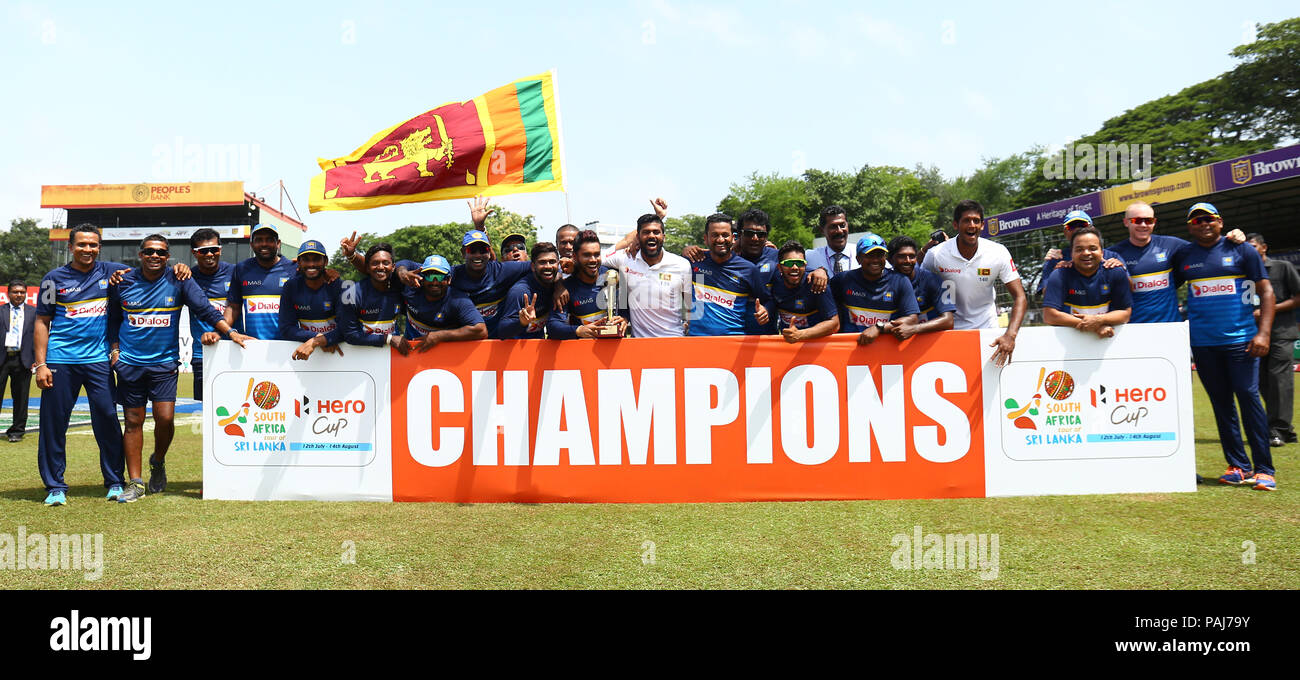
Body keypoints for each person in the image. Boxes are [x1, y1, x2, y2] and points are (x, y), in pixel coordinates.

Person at [108, 235, 250, 502]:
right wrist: (115, 351)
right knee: (133, 422)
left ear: (168, 257)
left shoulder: (179, 279)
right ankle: (136, 482)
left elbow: (206, 309)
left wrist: (230, 332)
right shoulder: (123, 282)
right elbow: (113, 319)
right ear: (140, 255)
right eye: (149, 251)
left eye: (161, 253)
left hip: (164, 364)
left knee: (165, 419)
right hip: (130, 365)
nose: (154, 256)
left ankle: (158, 460)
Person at [1174, 203, 1276, 490]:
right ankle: (1238, 466)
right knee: (1221, 404)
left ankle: (1265, 469)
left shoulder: (1242, 250)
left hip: (1241, 341)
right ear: (1190, 227)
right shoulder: (1184, 255)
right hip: (1203, 343)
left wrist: (1263, 334)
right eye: (1197, 221)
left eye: (1209, 219)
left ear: (1220, 222)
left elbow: (1266, 291)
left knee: (1248, 397)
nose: (1203, 224)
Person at [33, 225, 132, 506]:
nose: (87, 249)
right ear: (71, 246)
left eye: (93, 245)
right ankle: (55, 486)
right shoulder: (54, 279)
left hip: (99, 361)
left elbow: (149, 270)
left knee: (108, 420)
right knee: (54, 424)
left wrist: (180, 268)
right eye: (82, 245)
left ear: (99, 247)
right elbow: (42, 321)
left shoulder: (109, 271)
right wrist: (41, 365)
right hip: (61, 361)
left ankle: (114, 481)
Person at [920, 199, 1028, 366]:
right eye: (966, 220)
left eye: (976, 221)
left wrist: (1010, 335)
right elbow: (918, 286)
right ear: (955, 225)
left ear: (982, 225)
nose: (972, 225)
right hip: (948, 333)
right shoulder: (936, 254)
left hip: (988, 332)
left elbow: (1020, 297)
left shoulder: (998, 252)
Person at [1246, 233, 1300, 447]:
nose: (1249, 251)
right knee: (1263, 382)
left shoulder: (1282, 267)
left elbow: (1298, 296)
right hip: (1254, 333)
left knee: (1279, 379)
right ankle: (1285, 428)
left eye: (1253, 246)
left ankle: (1276, 429)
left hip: (1281, 333)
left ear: (1264, 248)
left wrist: (1269, 309)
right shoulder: (1243, 272)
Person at [601, 212, 693, 338]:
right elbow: (595, 258)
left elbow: (689, 305)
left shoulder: (682, 265)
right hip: (640, 345)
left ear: (664, 237)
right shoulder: (626, 259)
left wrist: (687, 324)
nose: (651, 236)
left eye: (656, 232)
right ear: (637, 237)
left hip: (674, 341)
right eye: (646, 232)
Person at [687, 213, 771, 336]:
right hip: (697, 340)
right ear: (706, 238)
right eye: (715, 235)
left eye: (725, 235)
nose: (720, 239)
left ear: (733, 238)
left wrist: (766, 310)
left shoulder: (748, 269)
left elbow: (767, 299)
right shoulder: (694, 262)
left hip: (733, 342)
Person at [1040, 226, 1132, 337]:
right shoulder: (1059, 274)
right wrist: (1096, 325)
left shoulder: (1115, 272)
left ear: (1102, 253)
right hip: (1069, 340)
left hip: (1107, 338)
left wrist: (1098, 320)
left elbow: (1125, 314)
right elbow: (1049, 315)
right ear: (1072, 253)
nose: (1086, 253)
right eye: (1079, 249)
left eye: (1093, 248)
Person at [830, 233, 919, 345]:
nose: (875, 260)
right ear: (858, 259)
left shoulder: (900, 281)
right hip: (850, 349)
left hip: (888, 349)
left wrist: (879, 327)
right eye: (870, 255)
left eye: (880, 255)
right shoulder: (842, 280)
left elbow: (912, 319)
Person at [225, 224, 299, 340]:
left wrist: (328, 273)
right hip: (254, 345)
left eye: (269, 240)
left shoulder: (294, 269)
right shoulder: (241, 269)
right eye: (259, 240)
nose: (264, 244)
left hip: (288, 346)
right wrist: (221, 331)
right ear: (251, 245)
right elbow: (233, 307)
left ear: (278, 243)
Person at [187, 227, 234, 401]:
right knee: (203, 413)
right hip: (203, 354)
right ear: (194, 253)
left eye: (214, 249)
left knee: (239, 409)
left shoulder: (235, 272)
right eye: (203, 251)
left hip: (234, 351)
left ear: (220, 249)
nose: (209, 254)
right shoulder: (186, 277)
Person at [402, 255, 488, 349]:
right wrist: (402, 272)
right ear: (422, 279)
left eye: (439, 277)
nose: (434, 282)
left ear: (449, 279)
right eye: (429, 276)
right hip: (410, 352)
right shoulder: (409, 289)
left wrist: (440, 336)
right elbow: (400, 264)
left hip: (445, 355)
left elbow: (481, 330)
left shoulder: (458, 300)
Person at [279, 240, 345, 361]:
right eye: (306, 260)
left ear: (325, 261)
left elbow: (347, 327)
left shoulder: (339, 286)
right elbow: (286, 328)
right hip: (309, 353)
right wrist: (319, 339)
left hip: (342, 352)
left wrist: (320, 340)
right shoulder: (290, 287)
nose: (311, 264)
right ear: (298, 262)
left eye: (316, 259)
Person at [339, 242, 409, 354]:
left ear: (393, 267)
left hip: (392, 354)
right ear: (367, 267)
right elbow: (350, 335)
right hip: (362, 355)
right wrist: (388, 339)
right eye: (375, 263)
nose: (381, 267)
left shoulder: (399, 289)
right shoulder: (352, 294)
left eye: (386, 263)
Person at [1035, 210, 1124, 295]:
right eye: (1071, 226)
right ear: (1065, 232)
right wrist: (1057, 274)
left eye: (1082, 225)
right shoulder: (1055, 259)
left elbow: (1127, 290)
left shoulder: (1112, 256)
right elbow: (1047, 294)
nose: (1077, 229)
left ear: (1092, 229)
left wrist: (1121, 270)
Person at [499, 242, 575, 339]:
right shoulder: (520, 292)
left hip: (540, 349)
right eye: (542, 262)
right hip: (515, 351)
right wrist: (521, 322)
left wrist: (560, 286)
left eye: (552, 262)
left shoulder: (557, 285)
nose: (548, 266)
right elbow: (502, 331)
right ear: (532, 266)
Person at [561, 230, 629, 338]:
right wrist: (577, 330)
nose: (593, 260)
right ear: (574, 256)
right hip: (584, 352)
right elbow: (553, 325)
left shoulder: (612, 275)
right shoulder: (565, 288)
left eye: (597, 254)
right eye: (586, 255)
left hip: (616, 351)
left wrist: (625, 318)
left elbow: (626, 305)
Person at [885, 235, 955, 340]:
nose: (907, 261)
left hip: (931, 344)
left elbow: (948, 321)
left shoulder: (933, 280)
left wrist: (913, 329)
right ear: (890, 259)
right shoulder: (885, 282)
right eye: (902, 256)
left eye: (912, 256)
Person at [769, 241, 839, 343]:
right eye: (788, 263)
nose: (795, 267)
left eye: (799, 263)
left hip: (815, 348)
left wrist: (801, 335)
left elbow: (835, 324)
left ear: (805, 266)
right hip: (788, 348)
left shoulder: (817, 283)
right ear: (779, 267)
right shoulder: (773, 280)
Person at [1, 279, 35, 442]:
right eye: (15, 292)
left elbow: (38, 337)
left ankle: (17, 431)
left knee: (21, 398)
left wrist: (37, 359)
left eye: (22, 292)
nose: (19, 295)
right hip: (2, 359)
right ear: (8, 294)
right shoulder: (1, 311)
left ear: (26, 294)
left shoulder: (33, 312)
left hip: (23, 359)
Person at [806, 205, 856, 286]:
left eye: (842, 225)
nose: (839, 231)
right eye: (833, 226)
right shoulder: (809, 257)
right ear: (822, 230)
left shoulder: (862, 253)